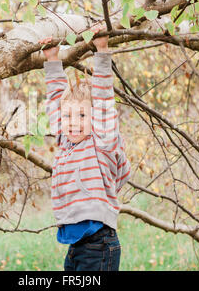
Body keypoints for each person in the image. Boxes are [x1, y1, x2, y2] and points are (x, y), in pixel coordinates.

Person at [39, 24, 131, 271]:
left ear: (95, 119)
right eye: (68, 117)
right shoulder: (65, 141)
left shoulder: (100, 142)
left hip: (99, 243)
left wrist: (101, 51)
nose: (73, 123)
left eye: (82, 116)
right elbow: (56, 97)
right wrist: (52, 59)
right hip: (78, 246)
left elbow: (103, 99)